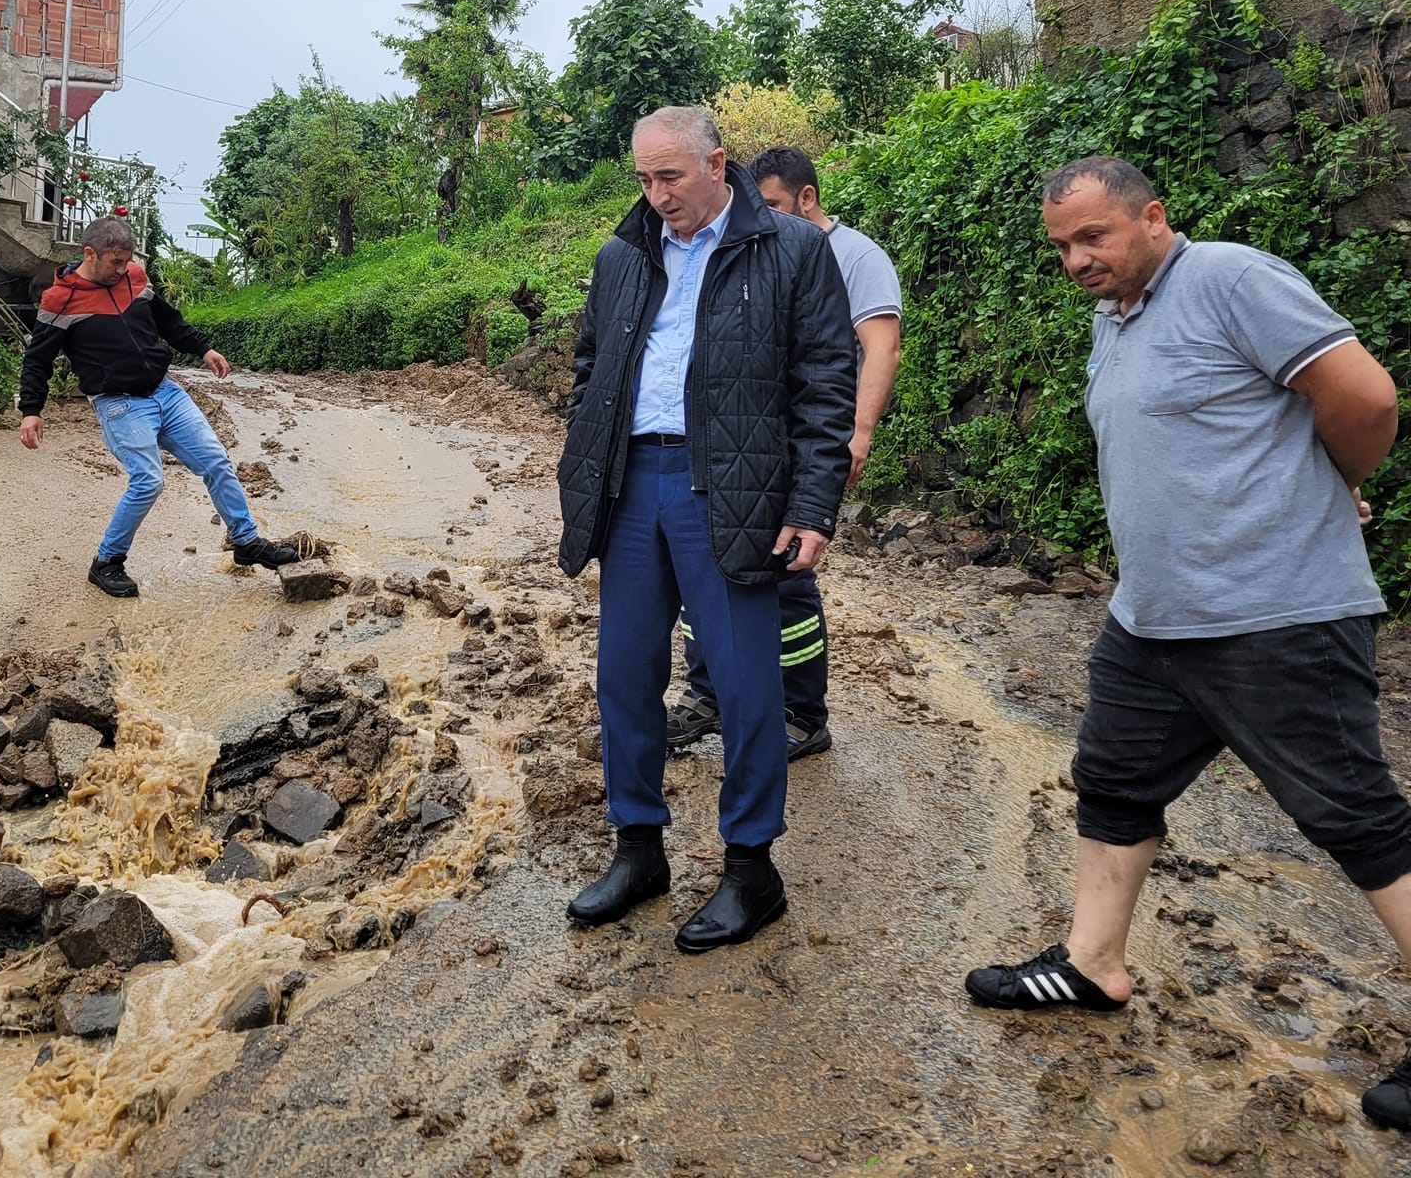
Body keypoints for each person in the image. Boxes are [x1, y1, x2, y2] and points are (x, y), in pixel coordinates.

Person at [962, 156, 1411, 1132]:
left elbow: (1364, 398)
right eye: (1061, 247)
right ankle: (1092, 964)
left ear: (1151, 217)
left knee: (1355, 819)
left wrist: (1332, 476)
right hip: (1151, 620)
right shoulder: (1111, 319)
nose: (1076, 259)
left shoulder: (1230, 281)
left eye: (1094, 237)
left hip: (1273, 612)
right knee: (1113, 781)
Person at [556, 106, 856, 952]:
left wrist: (811, 505)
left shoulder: (792, 251)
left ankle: (752, 868)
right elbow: (591, 365)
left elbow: (827, 382)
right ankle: (639, 848)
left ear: (717, 165)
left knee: (745, 684)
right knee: (624, 674)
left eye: (670, 178)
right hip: (630, 486)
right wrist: (586, 451)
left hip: (730, 484)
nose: (655, 197)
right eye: (643, 181)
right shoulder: (623, 255)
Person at [669, 143, 903, 762]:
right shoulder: (745, 248)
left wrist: (857, 433)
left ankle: (800, 708)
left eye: (770, 204)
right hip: (733, 448)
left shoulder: (854, 256)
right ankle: (708, 693)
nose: (756, 215)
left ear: (806, 198)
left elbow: (877, 348)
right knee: (708, 570)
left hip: (802, 443)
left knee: (789, 576)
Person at [15, 216, 298, 599]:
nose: (122, 269)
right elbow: (37, 359)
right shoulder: (59, 299)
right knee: (148, 480)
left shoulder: (135, 277)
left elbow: (169, 322)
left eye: (125, 261)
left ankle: (246, 541)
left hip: (165, 392)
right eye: (114, 262)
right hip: (119, 405)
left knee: (216, 460)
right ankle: (107, 562)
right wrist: (31, 408)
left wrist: (204, 348)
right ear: (89, 254)